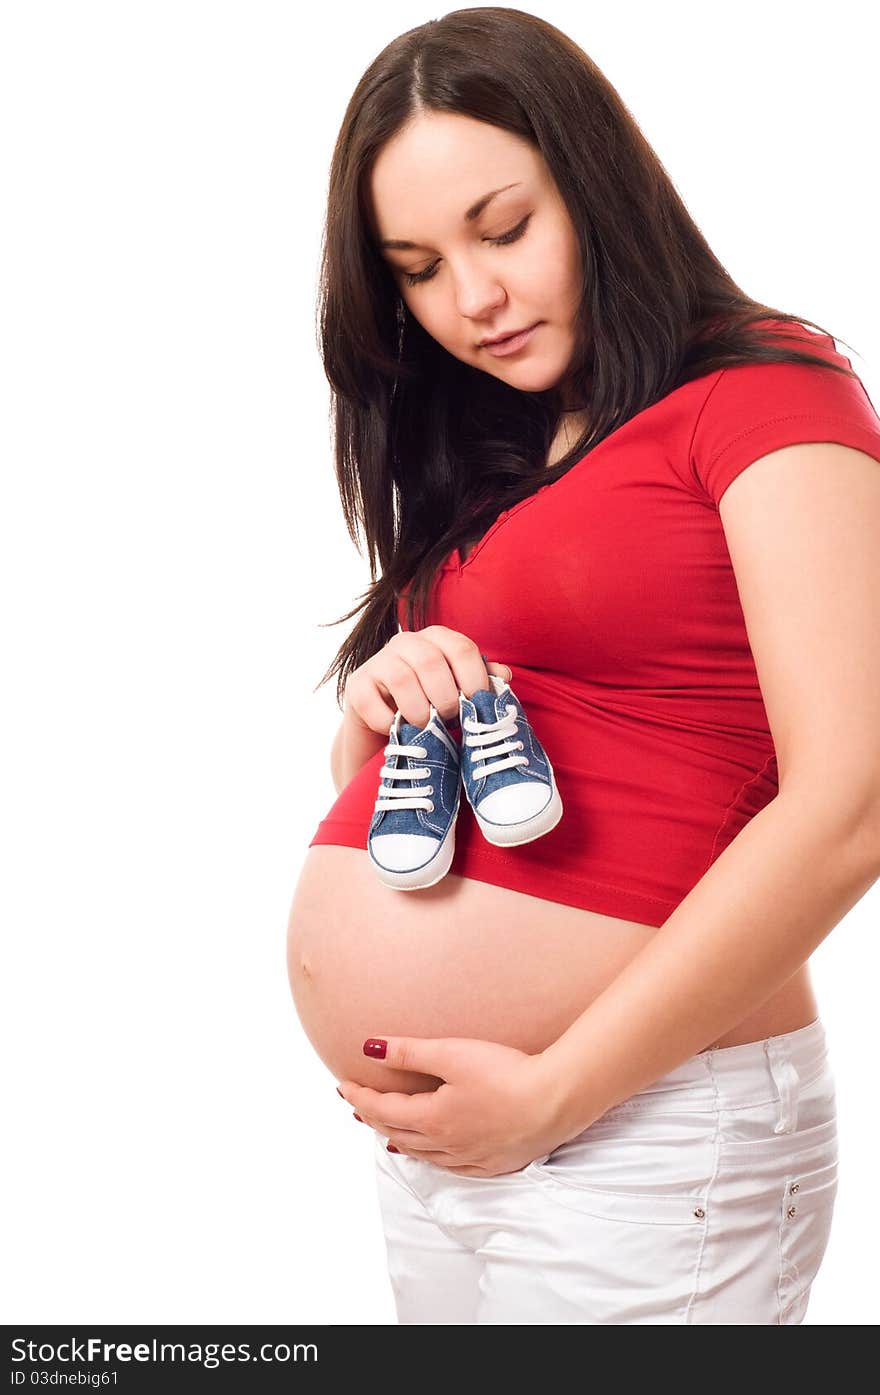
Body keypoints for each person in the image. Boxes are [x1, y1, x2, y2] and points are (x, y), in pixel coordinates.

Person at [290, 6, 880, 1323]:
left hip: (646, 1130)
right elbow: (439, 773)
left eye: (503, 230)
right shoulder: (506, 451)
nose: (474, 299)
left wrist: (558, 1093)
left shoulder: (771, 396)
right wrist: (384, 700)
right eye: (419, 269)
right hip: (455, 1148)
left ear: (597, 186)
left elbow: (853, 802)